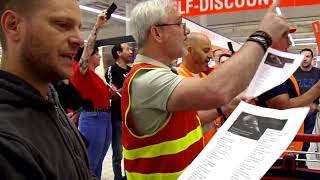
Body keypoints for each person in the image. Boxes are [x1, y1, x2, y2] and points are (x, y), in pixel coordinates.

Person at [122, 0, 289, 179]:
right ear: (157, 33)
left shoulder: (163, 74)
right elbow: (217, 90)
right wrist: (262, 36)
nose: (186, 31)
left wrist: (223, 107)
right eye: (179, 24)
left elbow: (190, 119)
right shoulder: (147, 80)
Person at [0, 0, 95, 179]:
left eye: (78, 27)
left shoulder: (50, 102)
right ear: (13, 26)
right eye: (62, 25)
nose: (79, 40)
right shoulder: (7, 141)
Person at [257, 27, 320, 166]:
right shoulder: (271, 68)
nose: (290, 43)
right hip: (272, 141)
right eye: (286, 37)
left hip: (282, 139)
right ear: (274, 41)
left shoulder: (279, 66)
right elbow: (282, 105)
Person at [177, 32, 240, 145]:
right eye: (206, 50)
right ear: (190, 50)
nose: (211, 55)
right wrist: (223, 107)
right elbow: (190, 120)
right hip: (192, 152)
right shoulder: (177, 80)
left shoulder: (206, 79)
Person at [70, 11, 111, 179]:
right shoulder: (80, 70)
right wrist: (97, 26)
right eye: (96, 52)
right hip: (93, 117)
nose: (99, 55)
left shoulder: (95, 75)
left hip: (104, 117)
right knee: (91, 164)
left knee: (99, 161)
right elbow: (87, 50)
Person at [105, 43, 133, 180]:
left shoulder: (132, 70)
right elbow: (113, 95)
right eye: (127, 49)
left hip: (131, 117)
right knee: (118, 153)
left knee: (131, 151)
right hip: (117, 117)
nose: (130, 51)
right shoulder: (111, 70)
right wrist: (127, 87)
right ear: (119, 52)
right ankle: (117, 177)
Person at [294, 48, 320, 160]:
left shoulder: (318, 72)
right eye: (302, 56)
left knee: (307, 137)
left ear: (312, 58)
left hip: (311, 112)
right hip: (295, 110)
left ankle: (302, 159)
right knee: (293, 137)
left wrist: (317, 106)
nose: (304, 59)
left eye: (307, 56)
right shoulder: (293, 73)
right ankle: (291, 159)